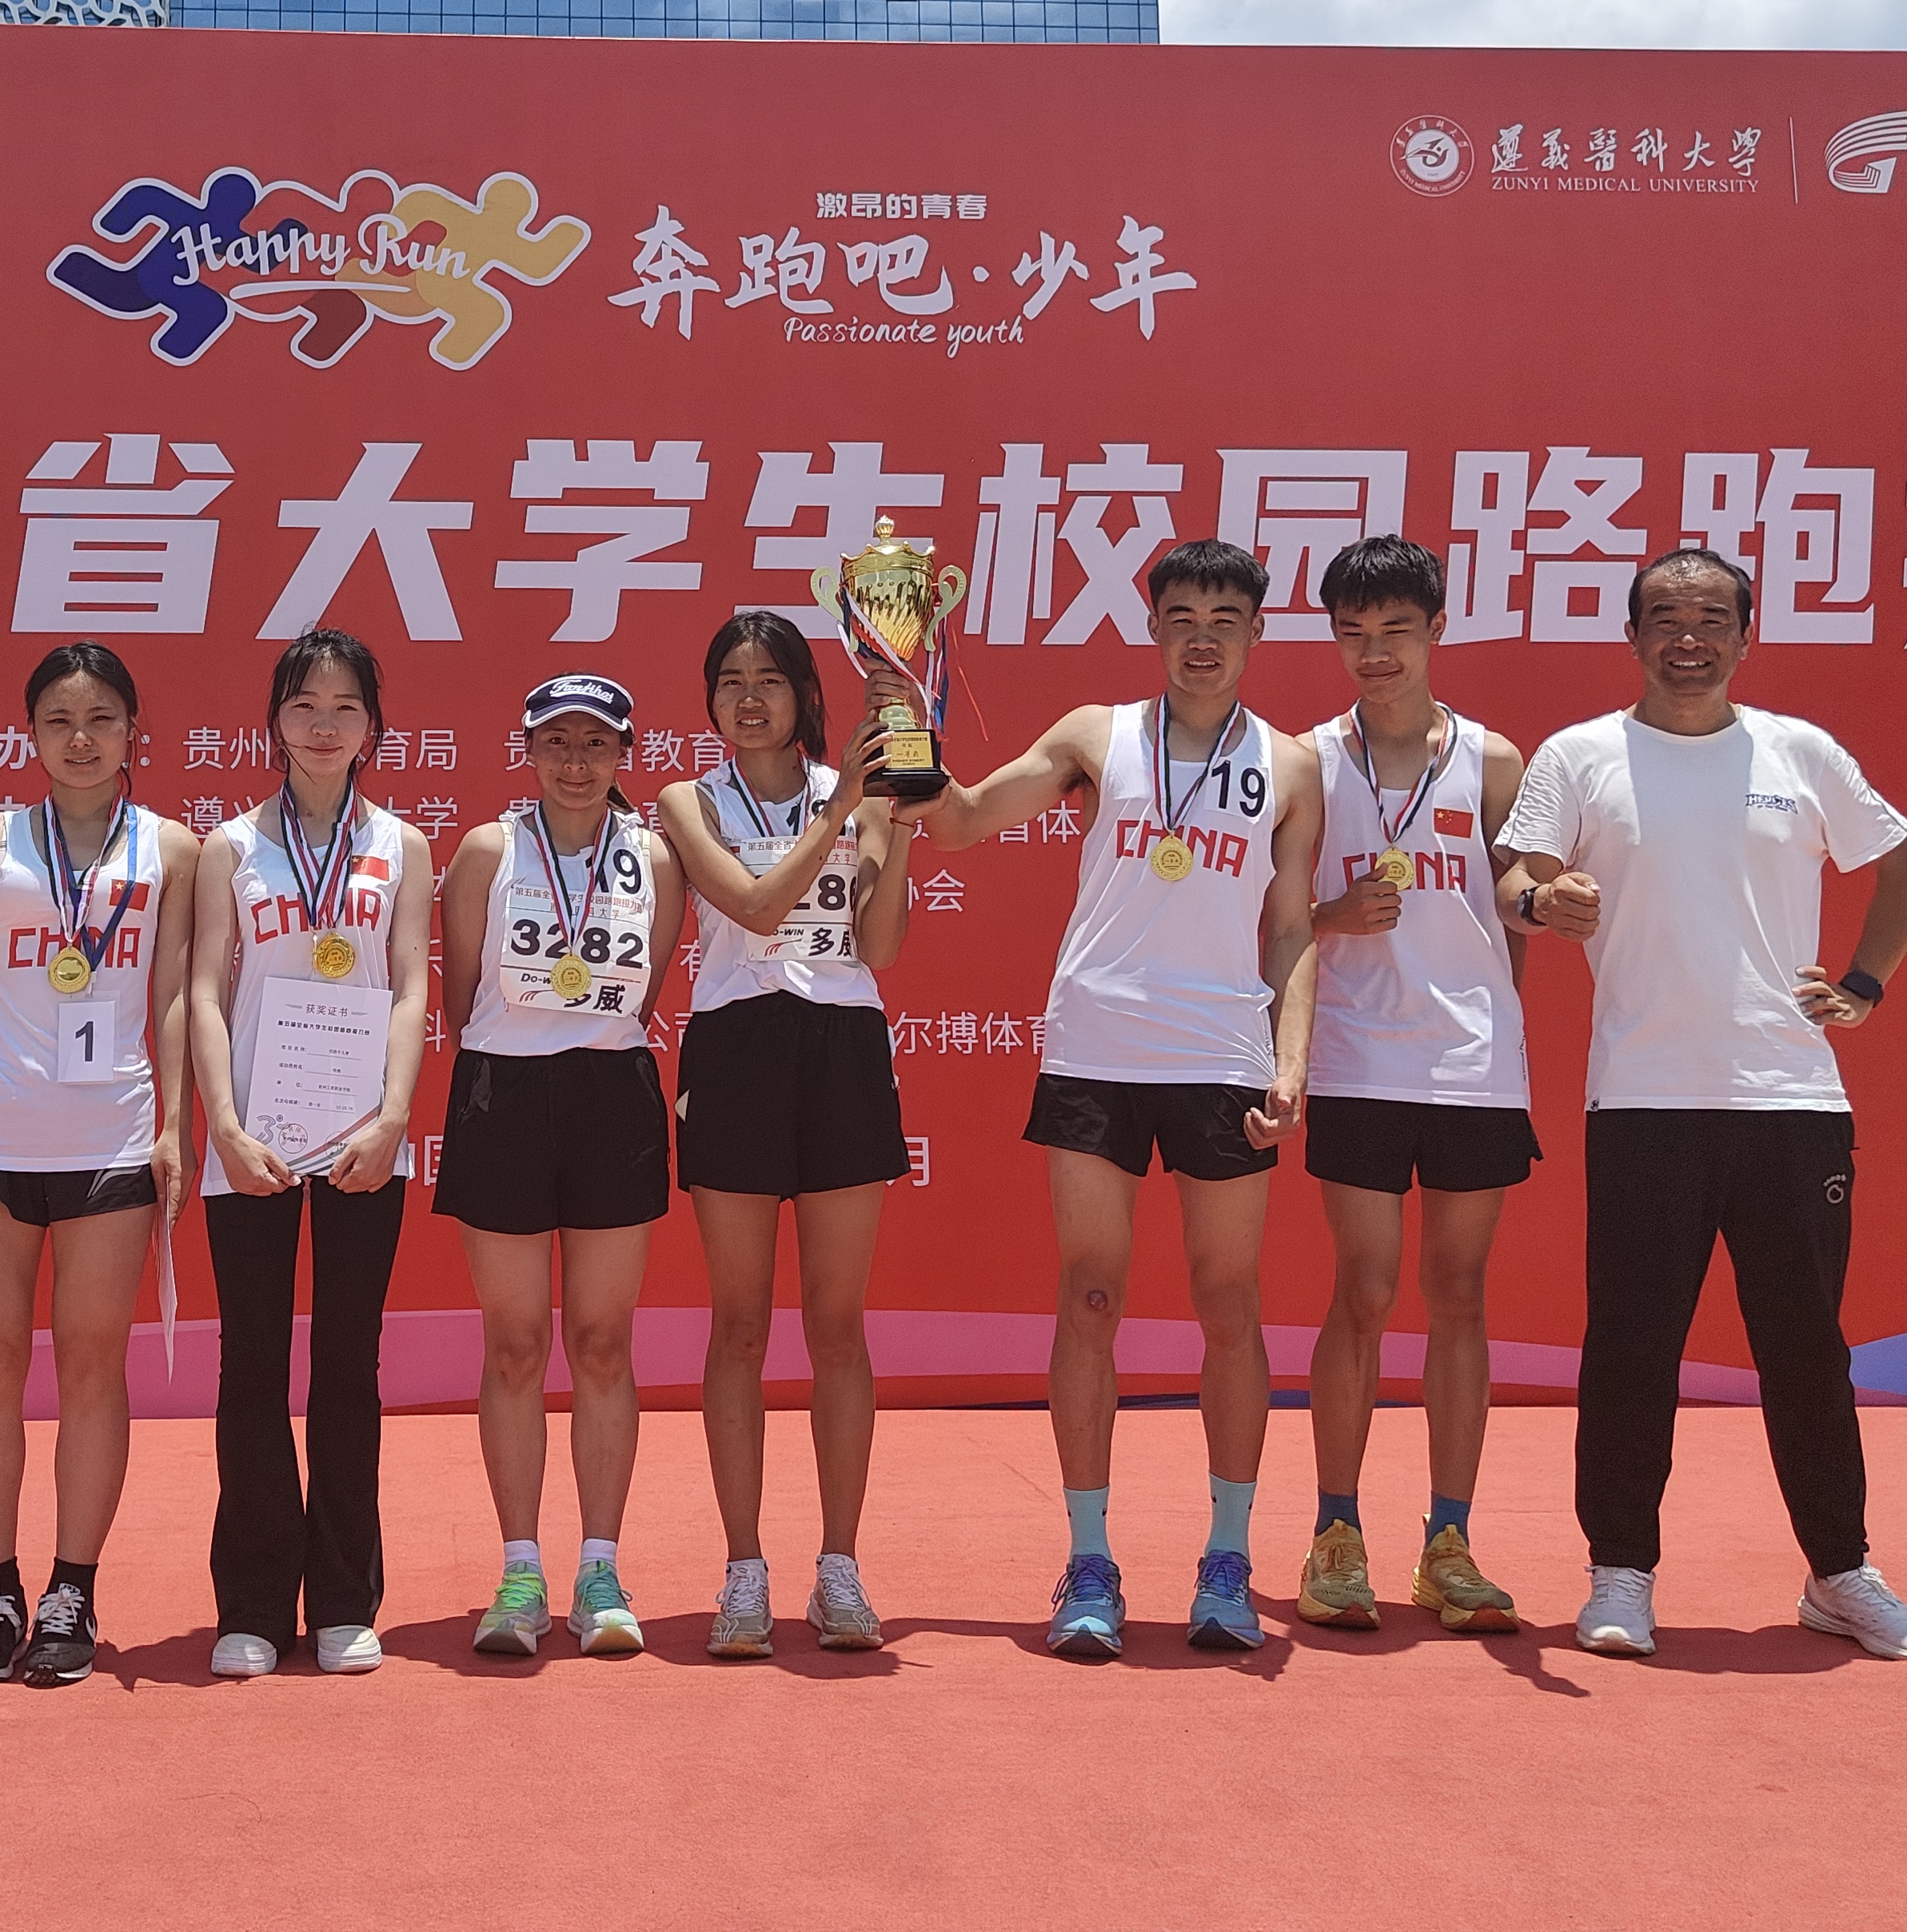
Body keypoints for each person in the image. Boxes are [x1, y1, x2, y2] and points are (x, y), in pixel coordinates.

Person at [1499, 548, 1907, 1663]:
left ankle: (1840, 1573)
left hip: (1789, 1096)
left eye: (1710, 617)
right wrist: (1544, 900)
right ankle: (1620, 1574)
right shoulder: (1581, 756)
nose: (1687, 637)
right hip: (1644, 1097)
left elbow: (1904, 865)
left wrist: (1863, 985)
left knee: (1805, 1350)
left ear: (1746, 637)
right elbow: (1514, 877)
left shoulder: (1800, 753)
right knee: (1632, 1347)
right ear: (1632, 637)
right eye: (1664, 617)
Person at [923, 538, 1322, 1660]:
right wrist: (903, 740)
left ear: (1256, 633)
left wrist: (1290, 1060)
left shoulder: (1292, 768)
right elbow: (963, 820)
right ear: (1152, 627)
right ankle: (1090, 1560)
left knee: (1228, 1304)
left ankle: (1227, 1561)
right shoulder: (1095, 735)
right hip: (1098, 1049)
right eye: (1182, 616)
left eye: (1225, 619)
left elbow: (1292, 928)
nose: (1203, 638)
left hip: (1222, 1056)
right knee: (1091, 1295)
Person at [0, 642, 195, 1689]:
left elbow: (173, 994)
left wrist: (174, 1122)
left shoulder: (170, 849)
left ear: (133, 733)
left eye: (102, 721)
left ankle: (71, 1590)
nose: (81, 741)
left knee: (91, 1368)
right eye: (59, 722)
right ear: (29, 734)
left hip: (109, 1140)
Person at [652, 611, 916, 1661]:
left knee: (839, 1326)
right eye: (730, 680)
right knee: (740, 1326)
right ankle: (744, 1568)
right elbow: (756, 908)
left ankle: (840, 1566)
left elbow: (878, 946)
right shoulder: (689, 800)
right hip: (736, 1049)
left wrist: (896, 826)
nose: (749, 697)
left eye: (769, 678)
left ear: (808, 694)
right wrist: (843, 808)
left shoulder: (864, 797)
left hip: (843, 1045)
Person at [1290, 538, 1535, 1638]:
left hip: (1472, 1066)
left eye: (1395, 631)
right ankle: (1335, 1534)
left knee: (1461, 1295)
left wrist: (1503, 971)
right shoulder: (1307, 761)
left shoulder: (1492, 761)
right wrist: (1334, 918)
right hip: (1357, 1060)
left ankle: (1449, 1544)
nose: (1373, 653)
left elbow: (1512, 906)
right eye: (1353, 633)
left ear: (1435, 630)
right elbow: (1275, 915)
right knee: (1364, 1291)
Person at [190, 628, 434, 1680]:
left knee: (346, 1366)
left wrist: (392, 1118)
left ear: (373, 725)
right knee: (251, 1365)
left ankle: (341, 1597)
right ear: (274, 722)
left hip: (363, 1138)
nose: (324, 726)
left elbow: (412, 986)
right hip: (253, 1138)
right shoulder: (230, 847)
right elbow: (205, 990)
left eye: (344, 708)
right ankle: (251, 1601)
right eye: (304, 706)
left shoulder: (404, 846)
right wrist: (223, 1124)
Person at [437, 672, 687, 1659]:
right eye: (556, 743)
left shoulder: (655, 857)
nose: (575, 763)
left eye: (595, 744)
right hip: (503, 1089)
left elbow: (645, 989)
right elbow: (460, 994)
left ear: (624, 754)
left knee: (601, 1342)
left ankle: (599, 1570)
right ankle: (518, 1572)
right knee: (512, 1344)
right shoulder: (486, 850)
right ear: (528, 750)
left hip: (611, 1090)